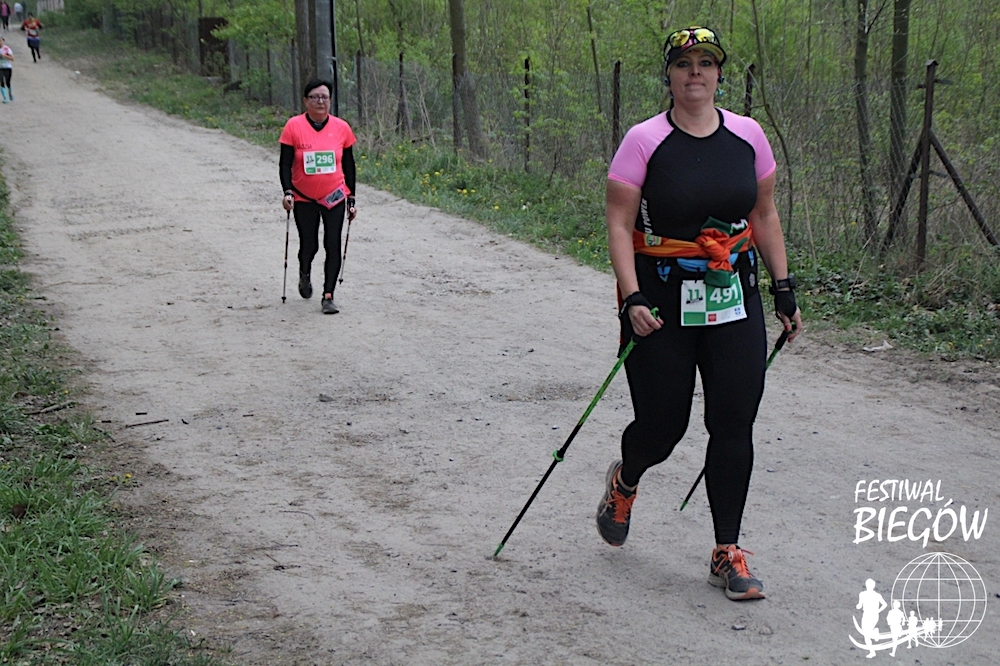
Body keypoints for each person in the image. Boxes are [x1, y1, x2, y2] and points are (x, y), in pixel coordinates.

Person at [595, 26, 802, 602]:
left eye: (706, 63)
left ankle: (726, 551)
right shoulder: (644, 140)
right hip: (660, 301)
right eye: (684, 63)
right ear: (669, 74)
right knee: (663, 426)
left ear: (718, 74)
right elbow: (619, 224)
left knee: (733, 421)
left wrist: (784, 288)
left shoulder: (748, 136)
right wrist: (632, 296)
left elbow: (764, 214)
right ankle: (626, 479)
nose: (695, 73)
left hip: (732, 293)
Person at [279, 79, 358, 314]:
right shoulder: (293, 126)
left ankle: (328, 295)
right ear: (306, 101)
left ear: (331, 101)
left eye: (325, 97)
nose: (320, 101)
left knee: (333, 244)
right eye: (314, 97)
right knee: (309, 245)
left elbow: (349, 165)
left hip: (334, 196)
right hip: (304, 197)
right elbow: (285, 164)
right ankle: (304, 271)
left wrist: (352, 199)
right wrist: (287, 192)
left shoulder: (342, 128)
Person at [855, 579, 888, 658]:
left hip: (870, 615)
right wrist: (878, 611)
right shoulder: (866, 594)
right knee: (866, 634)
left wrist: (878, 611)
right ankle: (874, 634)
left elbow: (884, 604)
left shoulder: (866, 594)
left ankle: (874, 635)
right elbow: (860, 604)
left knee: (866, 634)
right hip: (868, 614)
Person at [0, 35, 12, 103]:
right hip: (0, 68)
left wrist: (4, 56)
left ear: (3, 41)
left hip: (7, 67)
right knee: (1, 81)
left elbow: (12, 58)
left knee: (8, 82)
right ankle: (5, 97)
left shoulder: (7, 48)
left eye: (0, 40)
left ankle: (10, 94)